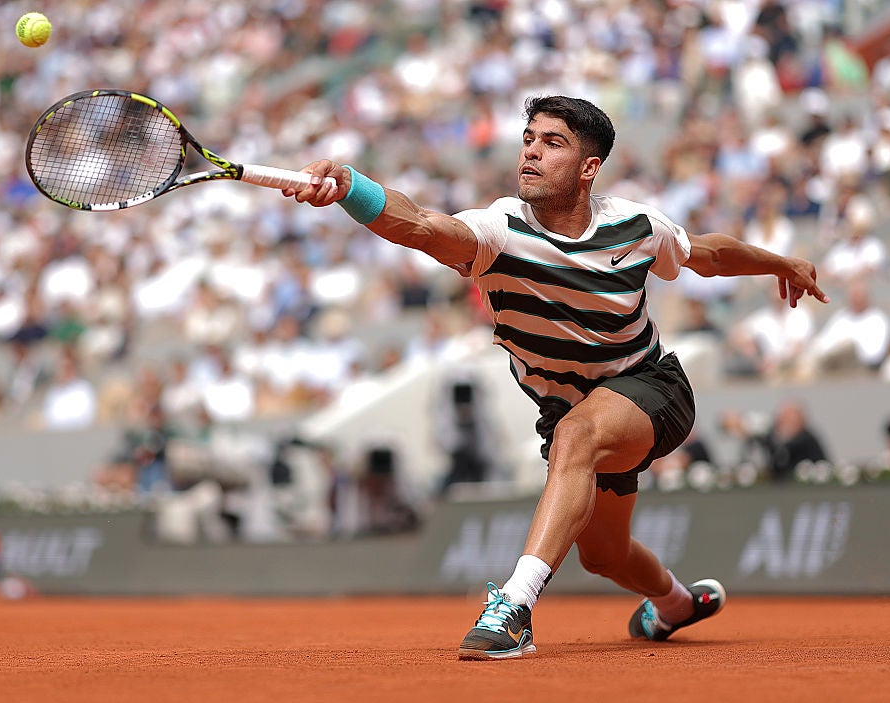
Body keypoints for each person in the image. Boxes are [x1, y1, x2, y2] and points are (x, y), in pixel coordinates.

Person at [283, 96, 828, 660]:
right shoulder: (498, 230)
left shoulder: (636, 226)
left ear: (589, 168)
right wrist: (350, 186)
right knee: (605, 555)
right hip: (570, 408)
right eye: (528, 140)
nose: (531, 153)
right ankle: (677, 604)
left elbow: (707, 255)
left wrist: (781, 263)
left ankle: (514, 608)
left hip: (652, 387)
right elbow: (420, 225)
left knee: (578, 436)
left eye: (552, 143)